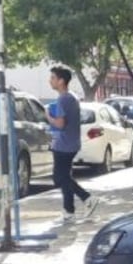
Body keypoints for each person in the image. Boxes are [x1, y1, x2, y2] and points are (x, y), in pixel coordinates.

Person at [46, 66, 97, 223]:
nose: (50, 81)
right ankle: (69, 211)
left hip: (63, 144)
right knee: (65, 177)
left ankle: (87, 198)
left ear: (61, 81)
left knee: (60, 177)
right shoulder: (72, 97)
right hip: (72, 143)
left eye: (53, 78)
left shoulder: (62, 99)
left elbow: (60, 124)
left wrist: (48, 115)